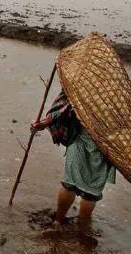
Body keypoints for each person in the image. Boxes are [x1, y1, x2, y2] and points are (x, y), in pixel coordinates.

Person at [30, 91, 116, 226]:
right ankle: (81, 229)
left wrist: (45, 122)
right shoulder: (119, 95)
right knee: (90, 193)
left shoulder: (84, 84)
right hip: (104, 147)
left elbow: (63, 105)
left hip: (81, 139)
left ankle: (58, 221)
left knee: (69, 184)